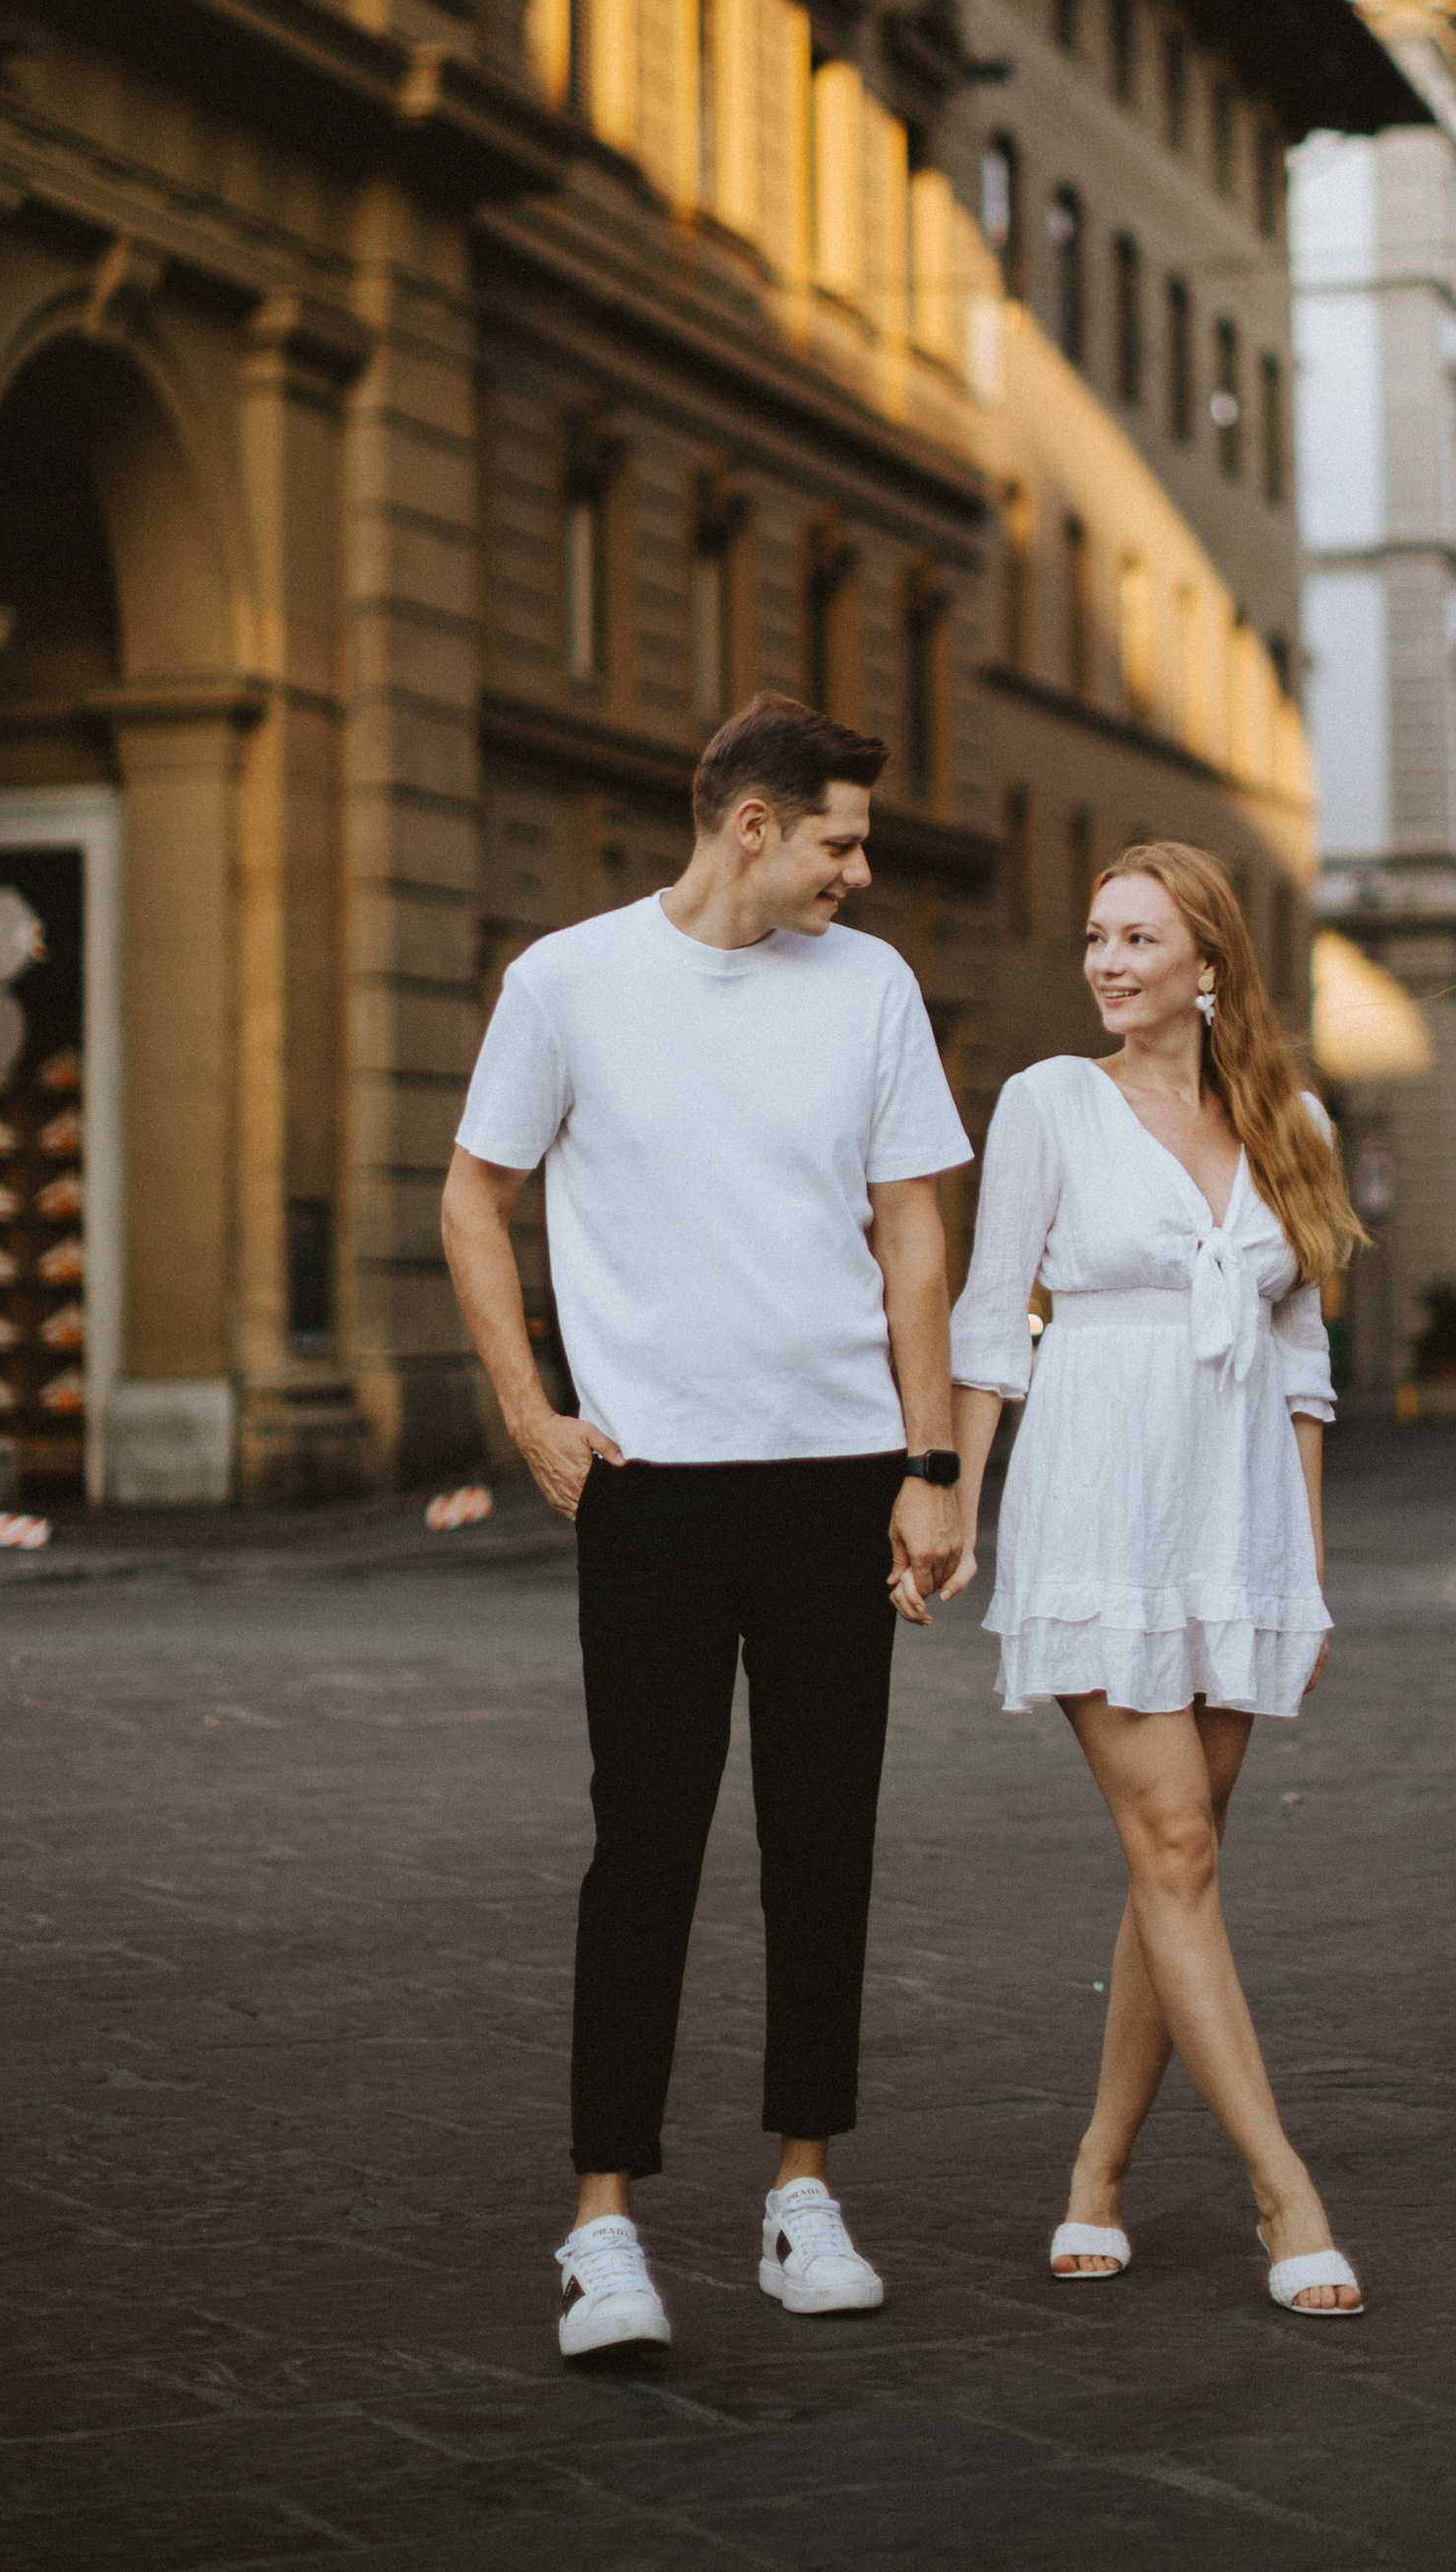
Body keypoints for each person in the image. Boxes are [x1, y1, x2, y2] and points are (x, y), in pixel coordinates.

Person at [442, 692, 974, 2359]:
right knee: (645, 1846)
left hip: (837, 1476)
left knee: (823, 1843)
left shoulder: (871, 991)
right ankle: (604, 2227)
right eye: (839, 839)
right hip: (653, 1486)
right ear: (754, 826)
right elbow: (472, 1193)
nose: (859, 872)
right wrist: (530, 1415)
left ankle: (802, 2193)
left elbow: (912, 1241)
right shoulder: (569, 983)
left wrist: (933, 1465)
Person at [945, 840, 1368, 2320]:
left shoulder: (1289, 1120)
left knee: (1169, 1865)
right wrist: (949, 1496)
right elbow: (994, 1317)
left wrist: (1301, 1572)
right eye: (1094, 938)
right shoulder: (1048, 1103)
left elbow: (1304, 1367)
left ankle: (1098, 2177)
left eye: (1137, 939)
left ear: (1209, 962)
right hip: (1098, 1512)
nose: (1108, 963)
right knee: (1177, 1841)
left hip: (1235, 1528)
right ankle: (1283, 2192)